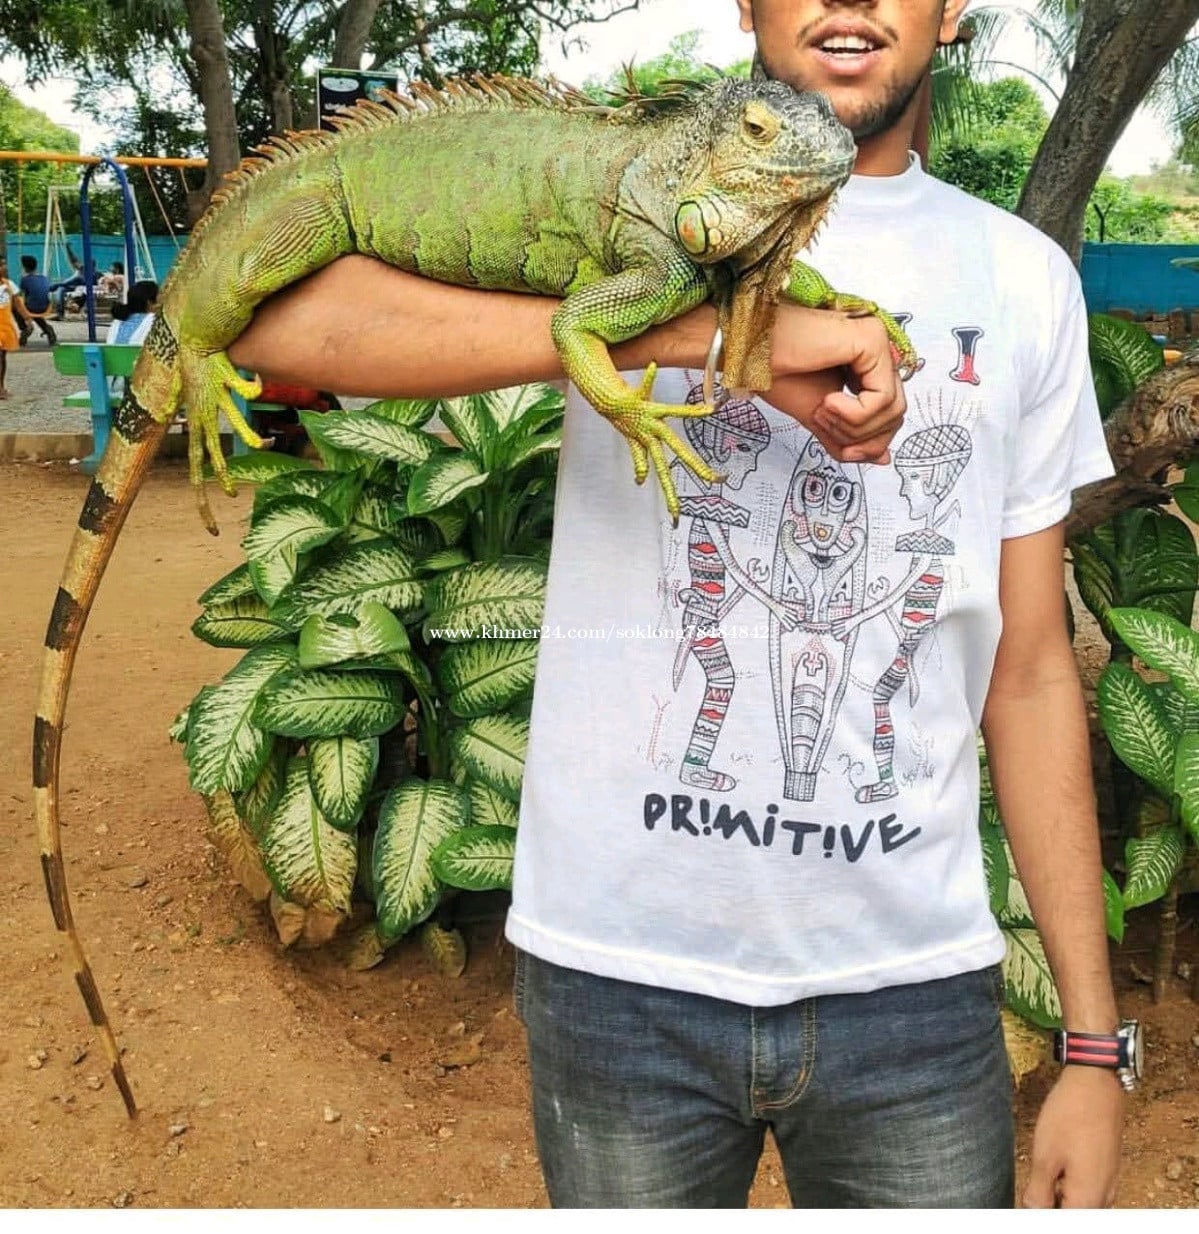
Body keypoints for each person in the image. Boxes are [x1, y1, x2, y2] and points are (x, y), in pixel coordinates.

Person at [228, 0, 1127, 1208]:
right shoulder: (639, 197)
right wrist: (701, 338)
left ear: (951, 7)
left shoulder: (1023, 278)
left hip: (911, 987)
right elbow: (284, 326)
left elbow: (1029, 672)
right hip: (618, 973)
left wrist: (1090, 1042)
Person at [17, 255, 58, 347]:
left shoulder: (24, 280)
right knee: (34, 309)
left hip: (32, 308)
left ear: (24, 268)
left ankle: (25, 328)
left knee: (16, 307)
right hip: (45, 307)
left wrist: (26, 316)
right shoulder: (44, 278)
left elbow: (21, 296)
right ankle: (47, 329)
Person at [0, 259, 25, 398]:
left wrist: (27, 319)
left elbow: (18, 305)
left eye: (4, 264)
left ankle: (1, 386)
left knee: (2, 357)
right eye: (1, 265)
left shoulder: (9, 285)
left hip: (5, 327)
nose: (4, 267)